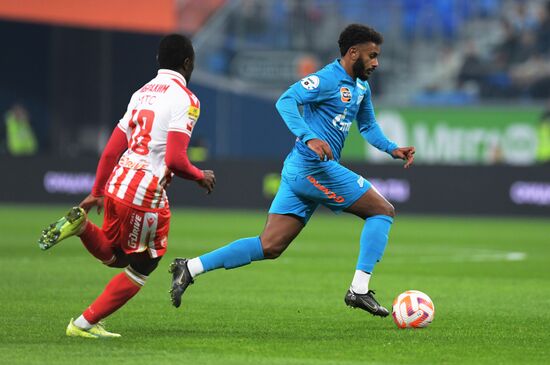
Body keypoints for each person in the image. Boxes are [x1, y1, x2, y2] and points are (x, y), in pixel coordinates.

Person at [169, 24, 415, 317]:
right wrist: (309, 136)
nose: (376, 63)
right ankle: (358, 290)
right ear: (353, 53)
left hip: (302, 170)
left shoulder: (361, 86)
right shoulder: (326, 79)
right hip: (314, 168)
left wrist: (391, 148)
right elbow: (286, 100)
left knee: (270, 246)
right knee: (382, 210)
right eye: (372, 55)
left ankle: (190, 267)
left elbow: (368, 126)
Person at [37, 34, 216, 338]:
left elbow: (110, 150)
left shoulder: (141, 93)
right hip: (145, 194)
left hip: (118, 183)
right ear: (188, 63)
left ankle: (82, 229)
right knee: (145, 265)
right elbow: (174, 159)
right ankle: (83, 324)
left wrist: (97, 191)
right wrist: (201, 176)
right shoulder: (187, 100)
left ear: (159, 61)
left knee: (117, 255)